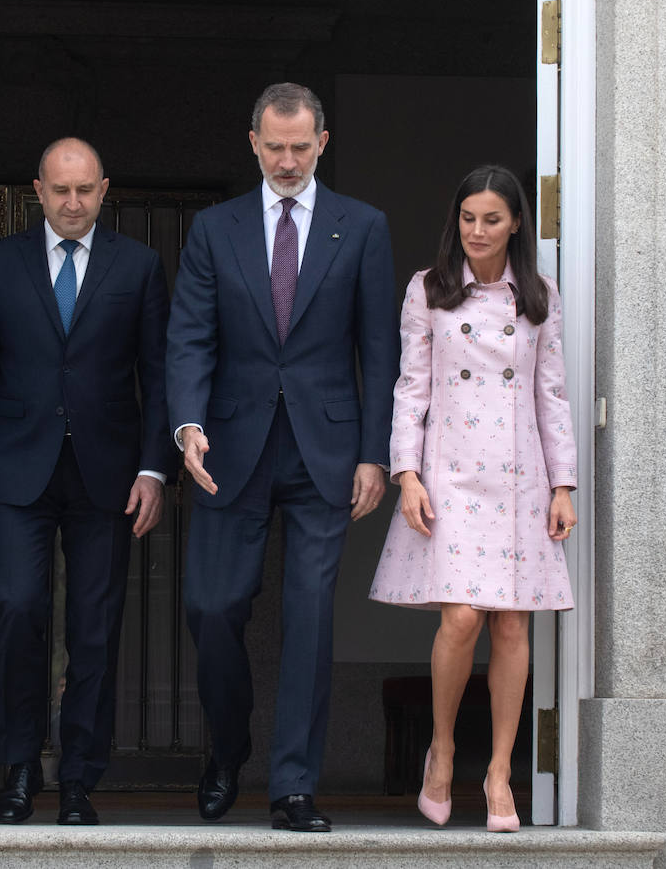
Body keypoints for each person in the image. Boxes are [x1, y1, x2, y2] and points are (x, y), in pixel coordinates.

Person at [165, 83, 400, 832]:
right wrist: (187, 423)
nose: (289, 160)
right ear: (253, 142)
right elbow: (191, 336)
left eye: (302, 147)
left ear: (322, 142)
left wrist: (375, 454)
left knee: (308, 618)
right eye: (276, 147)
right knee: (211, 606)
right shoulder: (214, 228)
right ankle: (228, 748)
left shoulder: (361, 227)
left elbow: (379, 350)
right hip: (229, 449)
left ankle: (294, 787)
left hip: (325, 451)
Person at [0, 137, 173, 826]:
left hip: (108, 474)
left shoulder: (138, 266)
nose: (72, 202)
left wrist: (153, 467)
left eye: (85, 190)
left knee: (96, 630)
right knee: (17, 612)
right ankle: (17, 769)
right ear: (39, 191)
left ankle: (78, 778)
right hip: (16, 470)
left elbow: (159, 375)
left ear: (104, 190)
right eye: (60, 190)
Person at [368, 164, 578, 831]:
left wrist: (563, 485)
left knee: (512, 623)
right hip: (450, 472)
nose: (478, 231)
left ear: (516, 222)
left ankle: (498, 774)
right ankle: (443, 749)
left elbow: (552, 396)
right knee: (460, 618)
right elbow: (412, 387)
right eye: (467, 218)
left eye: (491, 219)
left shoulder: (539, 295)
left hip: (520, 478)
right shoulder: (429, 290)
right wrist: (407, 472)